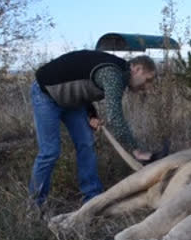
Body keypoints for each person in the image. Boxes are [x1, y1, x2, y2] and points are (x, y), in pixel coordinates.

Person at [28, 50, 156, 206]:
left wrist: (91, 114)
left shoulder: (119, 74)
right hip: (46, 95)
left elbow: (82, 85)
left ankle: (92, 198)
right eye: (148, 80)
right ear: (137, 69)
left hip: (71, 102)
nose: (147, 87)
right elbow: (114, 117)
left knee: (86, 144)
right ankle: (35, 205)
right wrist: (136, 150)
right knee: (50, 152)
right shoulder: (113, 75)